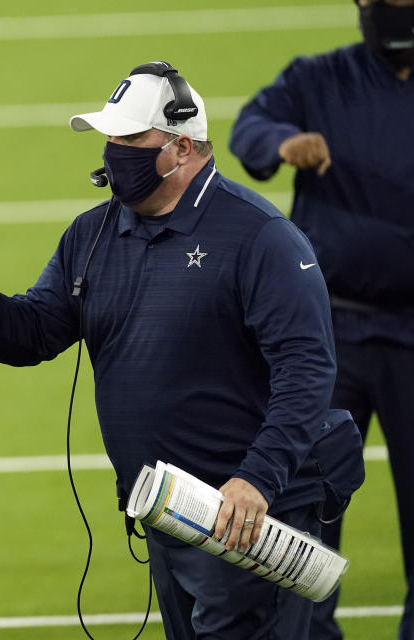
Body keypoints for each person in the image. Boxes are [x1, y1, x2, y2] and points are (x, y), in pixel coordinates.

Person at [0, 62, 343, 639]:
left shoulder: (260, 236)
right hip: (165, 511)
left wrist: (257, 479)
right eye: (110, 138)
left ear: (181, 148)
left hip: (246, 516)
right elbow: (32, 334)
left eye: (129, 139)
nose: (112, 151)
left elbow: (307, 369)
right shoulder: (94, 232)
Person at [229, 2, 414, 637]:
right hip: (326, 336)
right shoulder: (317, 78)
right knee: (306, 503)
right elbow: (248, 125)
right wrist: (281, 143)